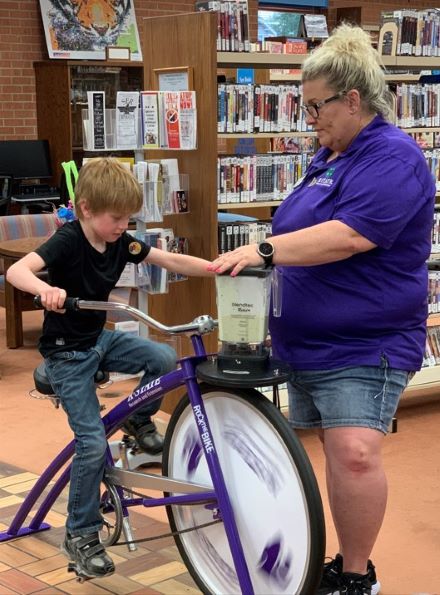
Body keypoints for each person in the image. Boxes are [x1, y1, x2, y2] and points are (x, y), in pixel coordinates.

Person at [208, 24, 435, 595]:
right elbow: (300, 229)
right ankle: (335, 562)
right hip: (306, 339)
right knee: (334, 455)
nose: (309, 119)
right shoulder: (329, 155)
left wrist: (263, 248)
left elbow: (350, 235)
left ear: (352, 100)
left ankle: (358, 577)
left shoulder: (394, 157)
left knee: (356, 453)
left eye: (316, 107)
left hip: (365, 340)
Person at [6, 157, 213, 580]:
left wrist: (216, 268)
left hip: (99, 342)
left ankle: (138, 424)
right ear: (86, 209)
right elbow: (16, 270)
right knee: (91, 444)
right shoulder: (67, 240)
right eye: (116, 218)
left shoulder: (121, 242)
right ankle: (80, 535)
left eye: (128, 218)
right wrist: (47, 290)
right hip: (66, 353)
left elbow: (169, 261)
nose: (123, 225)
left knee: (160, 357)